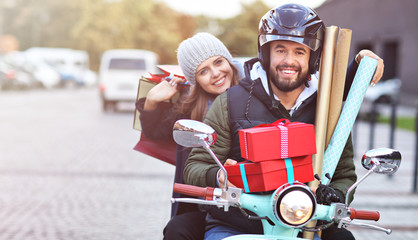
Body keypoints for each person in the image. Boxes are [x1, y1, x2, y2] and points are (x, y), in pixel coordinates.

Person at [183, 4, 384, 240]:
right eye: (280, 50)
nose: (289, 61)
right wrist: (220, 175)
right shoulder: (230, 102)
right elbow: (194, 167)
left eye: (300, 52)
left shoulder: (328, 111)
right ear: (266, 53)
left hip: (305, 227)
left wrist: (335, 194)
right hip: (237, 225)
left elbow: (344, 174)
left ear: (313, 58)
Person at [136, 32, 243, 240]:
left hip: (252, 202)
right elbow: (155, 132)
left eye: (219, 62)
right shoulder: (192, 107)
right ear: (196, 80)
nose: (215, 74)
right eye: (203, 71)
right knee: (177, 229)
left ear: (229, 60)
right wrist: (151, 101)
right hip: (208, 204)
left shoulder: (256, 94)